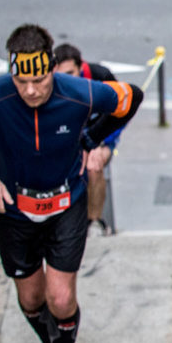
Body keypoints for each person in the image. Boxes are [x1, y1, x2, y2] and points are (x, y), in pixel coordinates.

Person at [0, 25, 142, 343]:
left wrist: (93, 140)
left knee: (62, 297)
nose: (31, 90)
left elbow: (133, 96)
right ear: (11, 73)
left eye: (39, 79)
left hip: (66, 204)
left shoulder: (79, 92)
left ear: (52, 69)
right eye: (22, 81)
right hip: (15, 208)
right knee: (31, 298)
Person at [52, 45, 121, 237]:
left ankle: (93, 221)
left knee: (94, 167)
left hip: (101, 137)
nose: (68, 79)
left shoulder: (101, 76)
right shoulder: (52, 85)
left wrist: (99, 142)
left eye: (70, 73)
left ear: (80, 66)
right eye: (61, 74)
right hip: (69, 138)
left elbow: (121, 114)